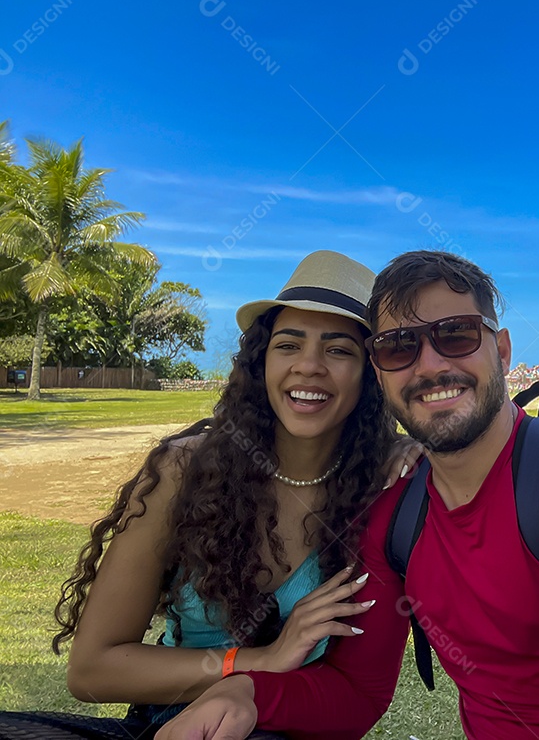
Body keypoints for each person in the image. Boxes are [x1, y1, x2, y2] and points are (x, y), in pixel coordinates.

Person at [157, 250, 539, 739]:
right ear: (379, 372)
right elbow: (355, 693)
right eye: (399, 347)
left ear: (503, 350)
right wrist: (243, 692)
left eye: (456, 335)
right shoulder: (395, 517)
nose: (430, 365)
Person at [0, 251, 419, 740]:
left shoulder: (384, 488)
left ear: (371, 374)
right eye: (288, 345)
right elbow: (92, 670)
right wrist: (260, 660)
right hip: (165, 725)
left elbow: (360, 690)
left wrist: (417, 446)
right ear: (261, 361)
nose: (309, 366)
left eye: (338, 350)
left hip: (286, 725)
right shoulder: (185, 471)